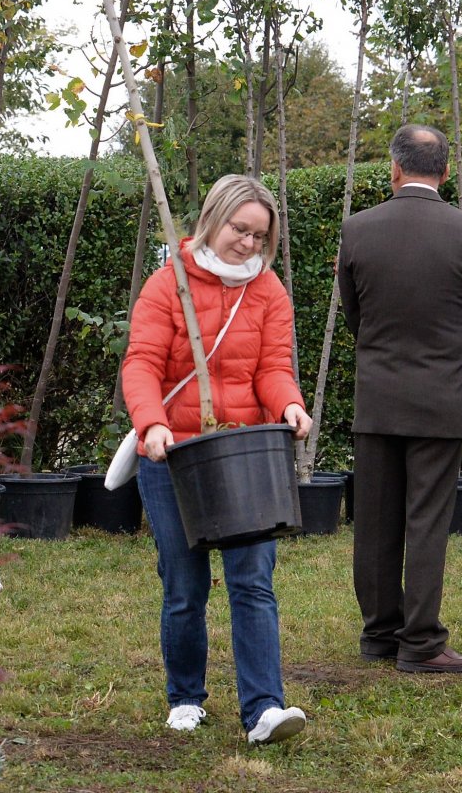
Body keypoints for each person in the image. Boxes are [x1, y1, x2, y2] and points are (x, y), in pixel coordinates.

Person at [122, 174, 314, 746]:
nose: (249, 245)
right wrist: (151, 423)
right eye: (240, 229)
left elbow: (273, 367)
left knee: (253, 580)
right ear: (212, 219)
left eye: (260, 236)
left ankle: (264, 709)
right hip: (174, 457)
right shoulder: (166, 285)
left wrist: (291, 405)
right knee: (184, 586)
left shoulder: (269, 291)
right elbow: (142, 364)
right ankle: (185, 697)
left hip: (245, 456)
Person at [339, 124, 462, 674]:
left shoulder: (357, 229)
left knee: (376, 519)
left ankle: (379, 635)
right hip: (439, 399)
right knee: (426, 520)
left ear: (395, 169)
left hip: (377, 396)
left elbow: (355, 316)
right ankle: (422, 643)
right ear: (447, 172)